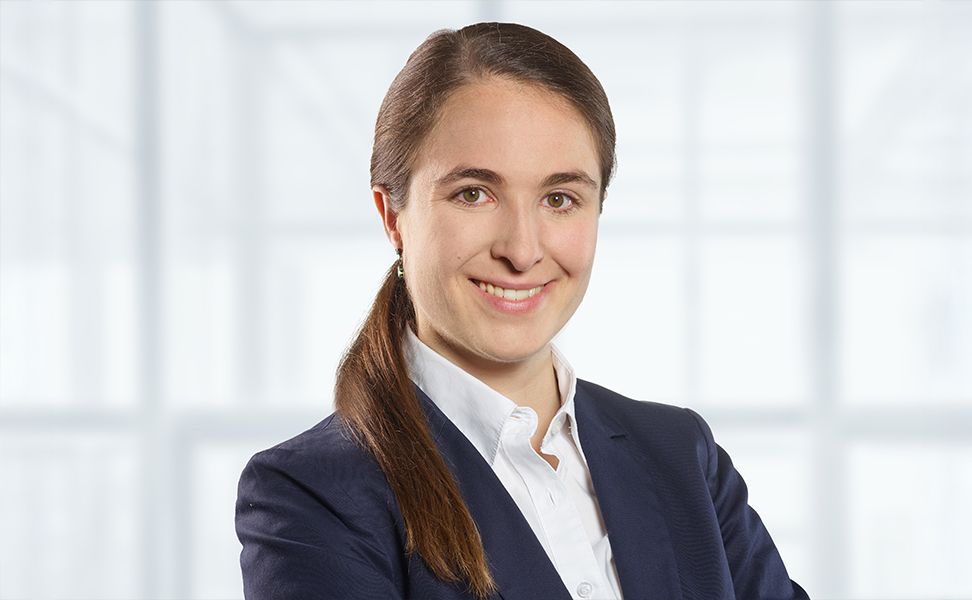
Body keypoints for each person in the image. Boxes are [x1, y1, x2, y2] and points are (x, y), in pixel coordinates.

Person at [235, 22, 810, 600]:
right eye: (473, 193)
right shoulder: (313, 495)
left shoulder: (681, 455)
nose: (522, 249)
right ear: (393, 216)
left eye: (560, 199)